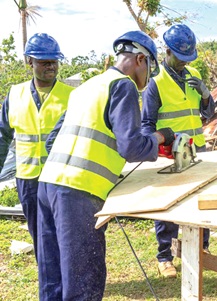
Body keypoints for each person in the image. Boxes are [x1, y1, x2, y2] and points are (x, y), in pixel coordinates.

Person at [36, 31, 175, 301]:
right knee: (83, 280)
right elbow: (131, 147)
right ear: (139, 59)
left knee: (53, 275)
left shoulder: (87, 87)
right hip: (78, 194)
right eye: (150, 68)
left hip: (48, 185)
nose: (148, 77)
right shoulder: (123, 86)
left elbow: (52, 141)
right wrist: (159, 137)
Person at [141, 24, 215, 278]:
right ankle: (165, 257)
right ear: (167, 52)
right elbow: (147, 124)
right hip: (171, 155)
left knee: (202, 202)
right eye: (180, 58)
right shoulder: (155, 82)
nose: (184, 63)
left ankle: (202, 249)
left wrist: (206, 96)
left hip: (198, 151)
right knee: (167, 207)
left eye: (188, 58)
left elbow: (207, 114)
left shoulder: (193, 73)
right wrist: (157, 147)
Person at [0, 33, 74, 258]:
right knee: (38, 231)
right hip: (28, 178)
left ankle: (64, 276)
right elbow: (3, 136)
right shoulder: (15, 94)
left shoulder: (72, 96)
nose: (50, 66)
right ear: (29, 61)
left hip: (61, 177)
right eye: (44, 62)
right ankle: (47, 275)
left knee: (64, 230)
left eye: (54, 61)